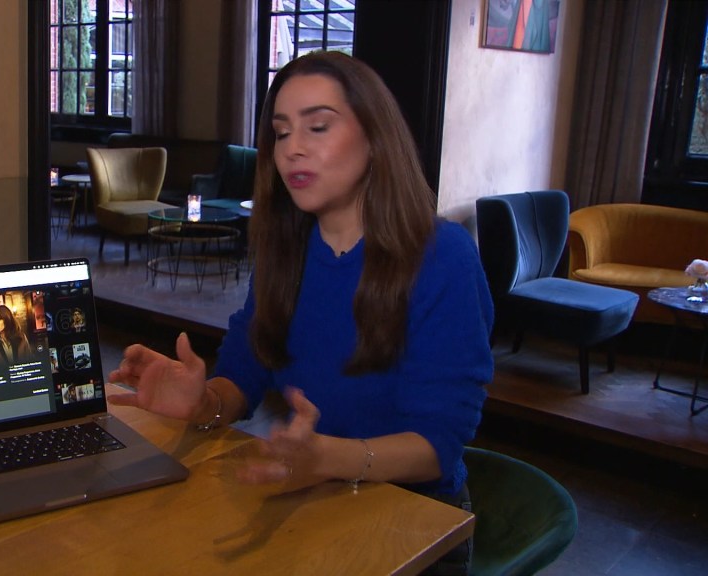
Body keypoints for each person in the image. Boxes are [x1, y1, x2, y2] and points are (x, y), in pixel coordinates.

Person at [108, 51, 493, 575]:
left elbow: (437, 445)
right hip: (309, 495)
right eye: (281, 133)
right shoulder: (285, 249)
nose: (292, 149)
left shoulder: (443, 256)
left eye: (318, 126)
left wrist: (329, 458)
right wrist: (205, 403)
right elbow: (245, 372)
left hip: (412, 519)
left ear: (375, 138)